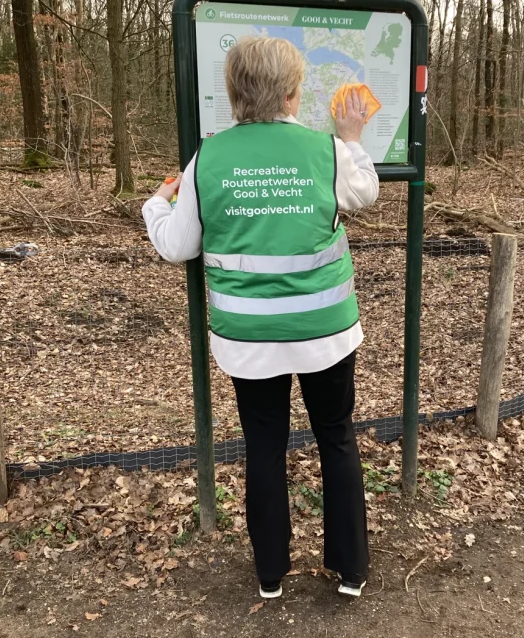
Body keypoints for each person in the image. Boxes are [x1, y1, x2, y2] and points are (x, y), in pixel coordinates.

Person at [142, 36, 379, 599]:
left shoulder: (208, 159)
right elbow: (364, 193)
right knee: (337, 438)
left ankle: (270, 574)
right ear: (294, 93)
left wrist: (156, 204)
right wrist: (350, 138)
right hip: (325, 334)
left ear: (233, 94)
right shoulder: (326, 151)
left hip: (248, 341)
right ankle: (350, 571)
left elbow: (178, 246)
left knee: (264, 447)